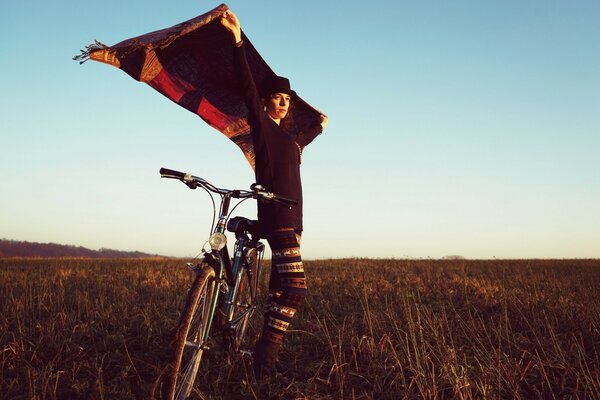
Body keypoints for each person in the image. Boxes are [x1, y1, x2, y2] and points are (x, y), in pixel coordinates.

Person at [220, 11, 328, 380]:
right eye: (276, 98)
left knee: (279, 292)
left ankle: (265, 362)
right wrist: (236, 41)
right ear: (266, 103)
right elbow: (249, 89)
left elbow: (317, 127)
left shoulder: (293, 141)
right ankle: (264, 355)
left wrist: (320, 123)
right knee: (296, 290)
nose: (281, 104)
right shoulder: (263, 128)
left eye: (286, 100)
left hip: (292, 220)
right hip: (277, 217)